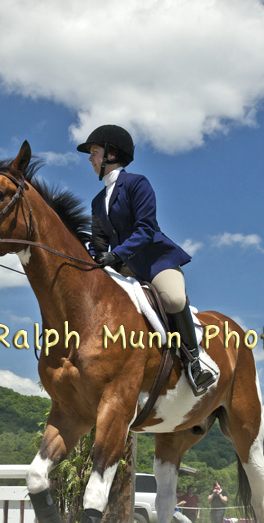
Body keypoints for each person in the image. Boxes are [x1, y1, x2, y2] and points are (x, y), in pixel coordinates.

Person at [76, 124, 216, 395]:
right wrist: (91, 260)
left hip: (154, 261)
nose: (90, 159)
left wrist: (116, 254)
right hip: (122, 268)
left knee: (174, 299)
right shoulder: (97, 201)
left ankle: (195, 362)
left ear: (112, 154)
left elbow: (146, 229)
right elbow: (98, 243)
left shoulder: (137, 183)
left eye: (94, 152)